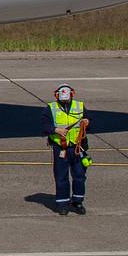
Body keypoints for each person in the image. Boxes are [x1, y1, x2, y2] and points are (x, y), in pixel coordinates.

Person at [48, 84, 89, 213]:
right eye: (62, 99)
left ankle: (77, 201)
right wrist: (55, 130)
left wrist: (87, 122)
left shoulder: (80, 106)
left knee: (79, 175)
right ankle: (62, 204)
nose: (65, 101)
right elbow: (43, 126)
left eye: (67, 99)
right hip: (61, 148)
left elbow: (90, 120)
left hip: (78, 147)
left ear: (72, 95)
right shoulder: (50, 108)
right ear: (57, 97)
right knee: (61, 176)